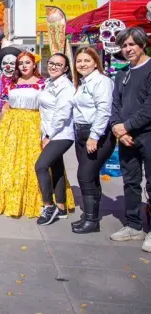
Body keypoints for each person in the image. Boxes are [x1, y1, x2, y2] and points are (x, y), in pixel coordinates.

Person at [0, 51, 75, 218]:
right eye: (21, 63)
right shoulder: (11, 82)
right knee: (10, 162)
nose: (24, 66)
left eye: (27, 62)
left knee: (39, 163)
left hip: (34, 125)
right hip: (11, 126)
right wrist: (1, 126)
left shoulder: (44, 83)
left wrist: (48, 132)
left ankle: (49, 202)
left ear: (34, 64)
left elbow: (51, 106)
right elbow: (5, 106)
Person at [109, 27, 151, 250]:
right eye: (124, 45)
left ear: (142, 44)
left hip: (147, 134)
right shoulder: (122, 73)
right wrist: (118, 128)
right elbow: (114, 104)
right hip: (125, 138)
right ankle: (133, 225)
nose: (127, 49)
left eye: (132, 44)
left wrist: (126, 127)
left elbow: (148, 108)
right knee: (131, 181)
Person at [70, 47, 115, 234]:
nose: (82, 64)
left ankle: (91, 221)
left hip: (97, 135)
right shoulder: (82, 83)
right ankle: (91, 214)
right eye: (79, 61)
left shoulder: (101, 81)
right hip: (81, 133)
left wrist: (94, 136)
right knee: (91, 176)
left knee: (85, 175)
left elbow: (104, 110)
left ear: (95, 62)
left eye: (87, 61)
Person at [35, 54, 76, 226]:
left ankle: (48, 206)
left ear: (66, 68)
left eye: (58, 65)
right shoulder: (50, 82)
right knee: (56, 167)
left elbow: (62, 114)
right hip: (51, 132)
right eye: (51, 63)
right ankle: (61, 206)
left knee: (41, 166)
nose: (53, 67)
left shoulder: (66, 87)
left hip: (60, 134)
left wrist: (48, 136)